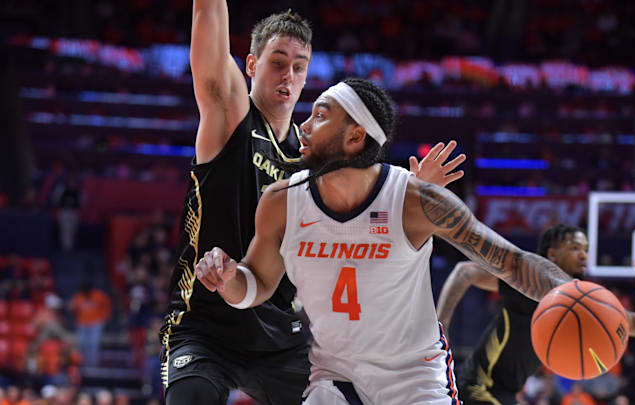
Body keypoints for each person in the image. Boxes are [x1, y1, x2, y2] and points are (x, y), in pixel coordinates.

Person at [195, 78, 574, 404]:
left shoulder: (416, 201)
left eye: (321, 115)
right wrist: (229, 279)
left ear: (355, 136)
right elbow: (256, 283)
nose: (303, 126)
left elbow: (510, 261)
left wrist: (570, 293)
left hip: (414, 376)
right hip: (335, 376)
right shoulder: (281, 202)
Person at [161, 3, 466, 405]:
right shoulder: (231, 116)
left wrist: (416, 194)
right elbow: (208, 23)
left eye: (299, 66)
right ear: (251, 64)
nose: (288, 75)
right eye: (278, 62)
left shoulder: (314, 162)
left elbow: (370, 194)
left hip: (281, 336)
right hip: (203, 328)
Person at [437, 224, 635, 405]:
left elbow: (629, 320)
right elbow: (464, 272)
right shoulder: (526, 281)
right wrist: (441, 327)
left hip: (506, 392)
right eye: (574, 248)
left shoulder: (582, 296)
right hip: (478, 386)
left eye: (585, 249)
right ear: (552, 254)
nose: (583, 255)